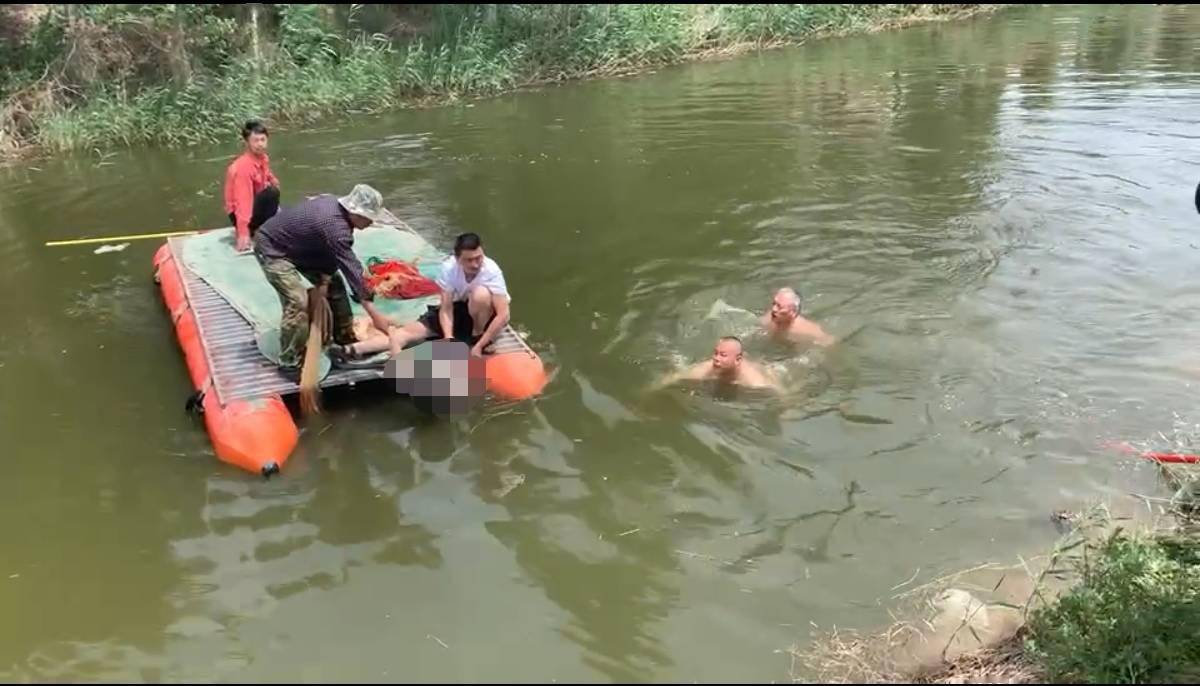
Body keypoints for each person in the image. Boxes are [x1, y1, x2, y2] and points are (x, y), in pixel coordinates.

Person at [252, 184, 396, 375]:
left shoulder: (339, 214)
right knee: (298, 301)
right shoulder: (335, 227)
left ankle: (344, 339)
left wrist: (325, 281)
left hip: (303, 247)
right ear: (356, 213)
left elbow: (331, 252)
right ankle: (289, 359)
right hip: (272, 248)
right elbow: (352, 268)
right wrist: (374, 313)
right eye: (369, 218)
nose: (371, 223)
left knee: (335, 287)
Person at [334, 232, 511, 360]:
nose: (475, 264)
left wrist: (479, 346)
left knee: (480, 294)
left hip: (486, 314)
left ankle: (478, 338)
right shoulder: (449, 268)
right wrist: (448, 338)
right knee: (407, 333)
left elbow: (503, 314)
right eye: (469, 260)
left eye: (478, 258)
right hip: (460, 309)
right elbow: (446, 308)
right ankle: (352, 349)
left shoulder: (491, 270)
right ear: (457, 259)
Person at [224, 120, 280, 253]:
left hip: (254, 202)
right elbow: (243, 201)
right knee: (272, 192)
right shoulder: (243, 167)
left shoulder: (262, 157)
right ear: (247, 142)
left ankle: (263, 226)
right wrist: (243, 233)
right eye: (255, 140)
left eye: (263, 139)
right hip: (239, 212)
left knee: (274, 188)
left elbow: (266, 173)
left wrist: (273, 179)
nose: (260, 144)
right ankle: (254, 230)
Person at [654, 336, 782, 391]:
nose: (716, 358)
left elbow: (778, 391)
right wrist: (651, 390)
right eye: (715, 353)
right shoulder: (707, 368)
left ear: (737, 360)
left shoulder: (754, 380)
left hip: (765, 366)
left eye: (723, 355)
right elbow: (674, 377)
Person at [761, 287, 835, 346]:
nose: (774, 309)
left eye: (779, 307)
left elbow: (829, 341)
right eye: (774, 303)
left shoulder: (806, 330)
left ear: (793, 313)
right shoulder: (769, 317)